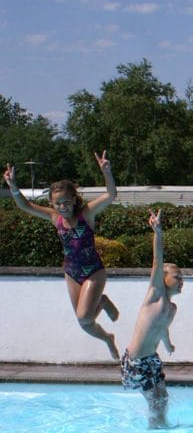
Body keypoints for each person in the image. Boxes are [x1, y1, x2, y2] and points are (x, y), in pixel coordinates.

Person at [3, 152, 121, 359]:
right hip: (71, 272)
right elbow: (25, 205)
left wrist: (107, 173)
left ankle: (101, 301)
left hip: (93, 270)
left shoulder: (86, 214)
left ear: (74, 199)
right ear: (52, 204)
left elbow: (111, 195)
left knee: (84, 317)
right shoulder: (54, 217)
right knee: (84, 323)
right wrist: (13, 186)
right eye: (58, 204)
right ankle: (108, 338)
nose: (63, 207)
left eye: (66, 202)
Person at [120, 209, 183, 429]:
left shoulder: (172, 308)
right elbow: (158, 261)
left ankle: (160, 427)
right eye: (177, 277)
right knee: (154, 401)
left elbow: (162, 329)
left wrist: (168, 344)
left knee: (162, 398)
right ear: (163, 280)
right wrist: (158, 232)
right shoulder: (155, 295)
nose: (181, 280)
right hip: (136, 360)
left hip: (152, 358)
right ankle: (155, 431)